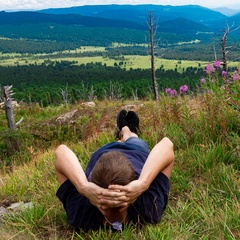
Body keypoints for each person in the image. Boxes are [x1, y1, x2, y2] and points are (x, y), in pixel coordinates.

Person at [55, 110, 174, 231]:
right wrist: (142, 183)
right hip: (135, 152)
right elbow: (167, 144)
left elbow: (61, 152)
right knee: (134, 139)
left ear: (92, 184)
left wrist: (83, 186)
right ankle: (127, 131)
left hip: (104, 152)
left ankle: (123, 131)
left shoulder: (81, 215)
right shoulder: (149, 209)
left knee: (128, 139)